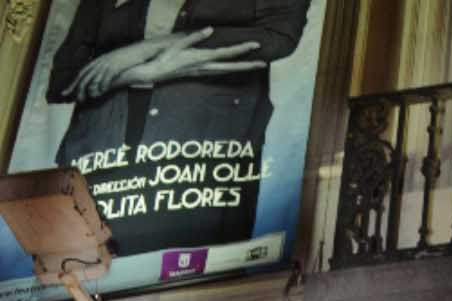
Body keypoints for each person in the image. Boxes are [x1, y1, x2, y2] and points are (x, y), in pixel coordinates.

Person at [46, 0, 312, 254]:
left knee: (195, 270)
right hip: (99, 154)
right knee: (84, 266)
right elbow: (61, 82)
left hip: (201, 163)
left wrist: (143, 50)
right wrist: (138, 73)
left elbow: (279, 37)